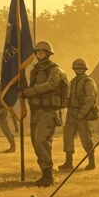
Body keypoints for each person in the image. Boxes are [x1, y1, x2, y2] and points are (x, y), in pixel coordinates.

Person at [22, 40, 67, 187]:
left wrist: (30, 92)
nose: (39, 55)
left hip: (49, 111)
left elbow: (51, 85)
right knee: (36, 143)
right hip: (36, 110)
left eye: (42, 52)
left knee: (41, 141)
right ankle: (45, 173)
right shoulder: (34, 70)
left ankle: (48, 176)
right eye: (37, 53)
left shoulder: (55, 70)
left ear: (48, 54)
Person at [61, 58, 98, 171]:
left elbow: (90, 99)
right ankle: (68, 162)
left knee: (86, 138)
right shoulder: (72, 82)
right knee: (68, 138)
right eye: (76, 68)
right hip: (72, 113)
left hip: (83, 115)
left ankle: (91, 162)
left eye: (80, 68)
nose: (78, 70)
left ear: (85, 69)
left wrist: (81, 114)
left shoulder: (88, 82)